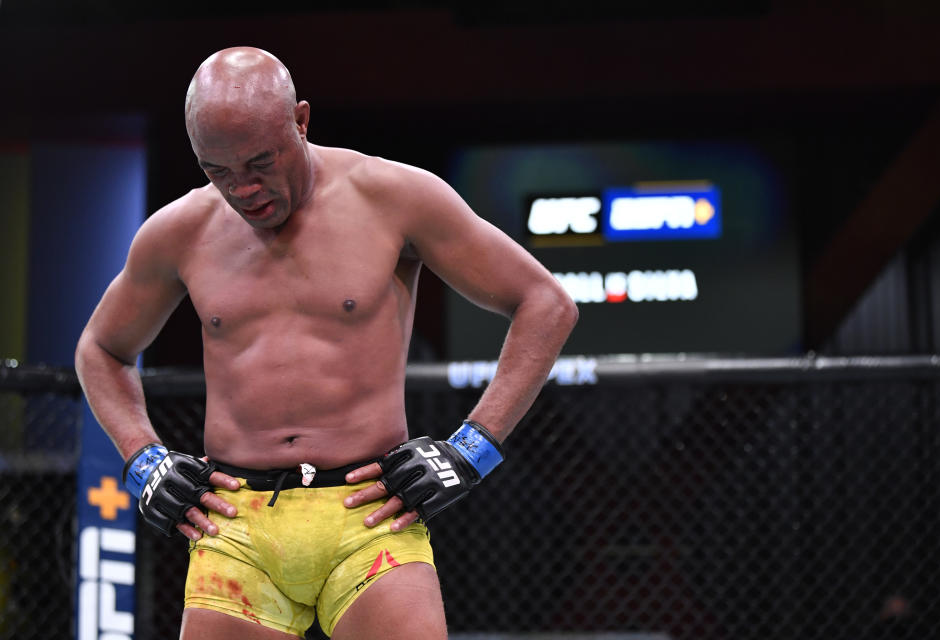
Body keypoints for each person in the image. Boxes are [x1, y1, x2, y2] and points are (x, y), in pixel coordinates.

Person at [75, 46, 578, 640]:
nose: (245, 189)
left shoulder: (393, 197)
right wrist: (143, 460)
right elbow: (100, 350)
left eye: (260, 162)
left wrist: (472, 450)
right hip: (234, 527)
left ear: (301, 121)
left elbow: (547, 303)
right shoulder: (179, 231)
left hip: (369, 516)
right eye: (219, 171)